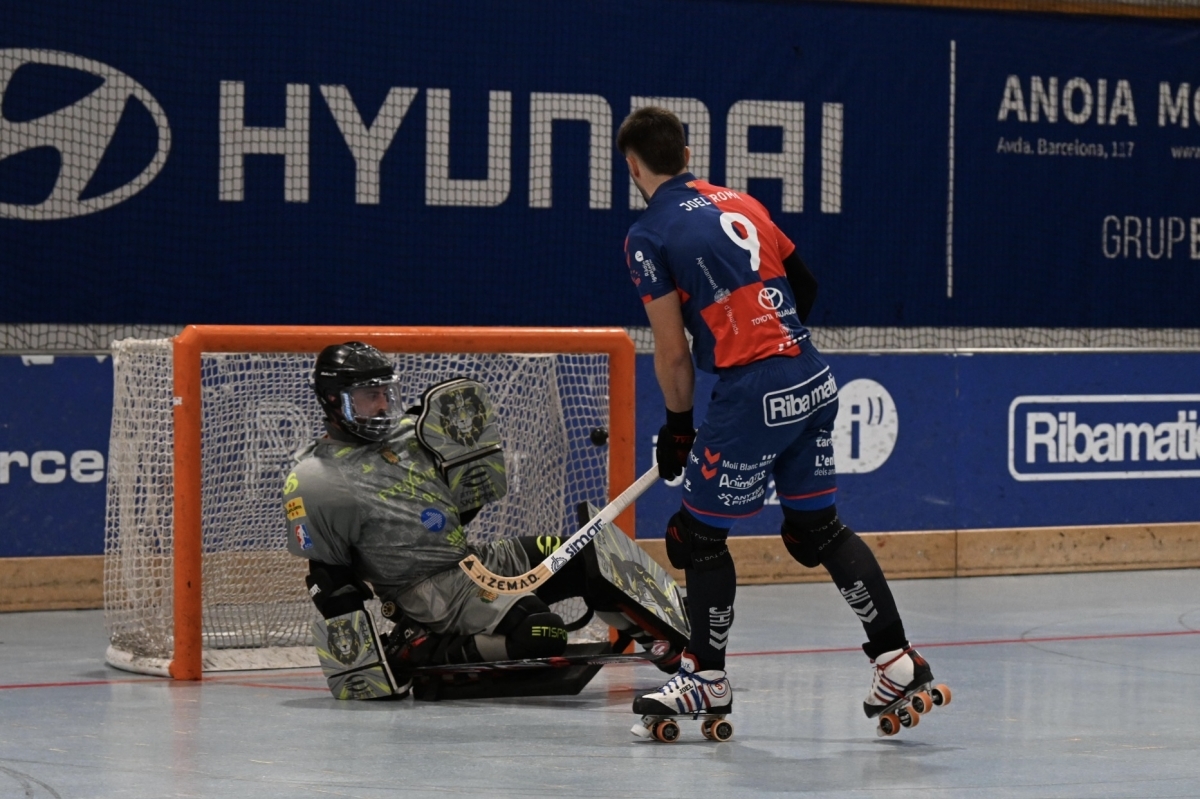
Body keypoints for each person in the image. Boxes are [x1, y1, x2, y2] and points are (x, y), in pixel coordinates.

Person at [617, 107, 937, 727]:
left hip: (755, 391)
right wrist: (776, 345)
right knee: (818, 531)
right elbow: (805, 284)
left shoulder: (647, 235)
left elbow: (674, 352)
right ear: (686, 155)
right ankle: (896, 659)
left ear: (633, 168)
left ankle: (705, 678)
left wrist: (678, 426)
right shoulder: (745, 201)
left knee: (696, 538)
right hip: (812, 376)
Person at [283, 341, 675, 699]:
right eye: (370, 396)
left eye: (387, 392)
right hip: (428, 592)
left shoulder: (412, 433)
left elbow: (457, 506)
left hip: (473, 561)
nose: (384, 405)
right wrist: (363, 664)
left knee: (593, 556)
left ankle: (672, 647)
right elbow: (329, 577)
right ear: (333, 400)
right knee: (542, 633)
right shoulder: (318, 478)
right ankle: (417, 650)